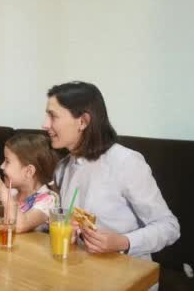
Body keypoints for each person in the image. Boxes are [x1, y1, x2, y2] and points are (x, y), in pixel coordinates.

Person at [43, 81, 180, 260]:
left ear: (83, 121)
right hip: (83, 268)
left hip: (128, 274)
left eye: (53, 116)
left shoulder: (126, 163)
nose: (45, 124)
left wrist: (124, 242)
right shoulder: (63, 167)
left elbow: (169, 227)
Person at [0, 133, 59, 233]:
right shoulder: (11, 191)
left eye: (7, 161)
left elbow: (18, 225)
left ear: (28, 171)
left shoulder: (49, 199)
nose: (1, 166)